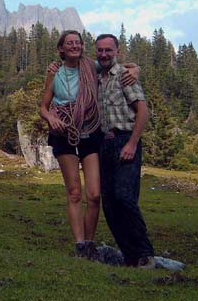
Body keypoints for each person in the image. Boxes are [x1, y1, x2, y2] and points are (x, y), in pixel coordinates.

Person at [40, 30, 139, 260]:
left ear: (82, 47)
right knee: (74, 192)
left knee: (94, 194)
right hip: (63, 134)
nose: (74, 46)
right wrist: (50, 118)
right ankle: (81, 246)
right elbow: (43, 107)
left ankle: (90, 241)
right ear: (61, 49)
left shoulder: (91, 66)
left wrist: (136, 70)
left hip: (90, 133)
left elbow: (119, 65)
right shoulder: (55, 73)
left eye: (78, 43)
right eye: (69, 43)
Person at [95, 33, 155, 269]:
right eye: (100, 50)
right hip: (104, 144)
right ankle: (129, 255)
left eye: (108, 50)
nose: (104, 54)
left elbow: (142, 110)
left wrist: (131, 143)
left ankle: (145, 253)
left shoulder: (125, 76)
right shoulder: (96, 77)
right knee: (109, 203)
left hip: (125, 140)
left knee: (125, 197)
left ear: (117, 51)